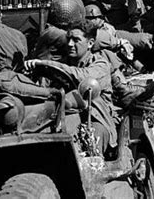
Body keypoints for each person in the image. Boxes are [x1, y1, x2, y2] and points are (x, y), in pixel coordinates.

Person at [25, 24, 116, 154]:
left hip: (94, 117)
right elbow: (44, 89)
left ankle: (93, 166)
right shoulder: (62, 63)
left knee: (92, 143)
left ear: (90, 43)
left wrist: (48, 64)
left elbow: (83, 77)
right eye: (68, 39)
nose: (69, 44)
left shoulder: (100, 64)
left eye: (76, 40)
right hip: (62, 115)